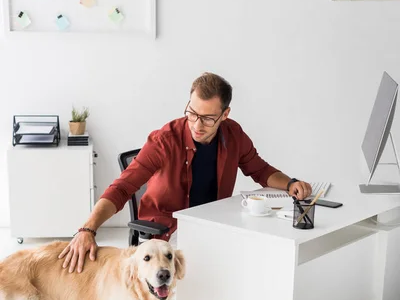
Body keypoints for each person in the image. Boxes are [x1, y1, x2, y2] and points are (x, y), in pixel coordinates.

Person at [59, 72, 312, 273]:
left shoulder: (233, 134)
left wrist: (290, 183)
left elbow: (260, 169)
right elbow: (123, 187)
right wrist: (87, 230)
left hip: (214, 223)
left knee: (259, 254)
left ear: (225, 114)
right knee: (210, 269)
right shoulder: (164, 140)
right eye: (192, 113)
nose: (197, 125)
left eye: (208, 118)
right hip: (170, 228)